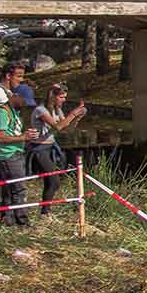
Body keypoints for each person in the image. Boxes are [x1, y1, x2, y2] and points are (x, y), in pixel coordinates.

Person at [28, 85, 86, 216]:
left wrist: (77, 118)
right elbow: (58, 126)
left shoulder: (57, 110)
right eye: (61, 97)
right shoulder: (41, 110)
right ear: (52, 96)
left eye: (65, 97)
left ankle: (45, 211)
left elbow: (66, 129)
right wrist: (73, 113)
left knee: (51, 182)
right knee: (54, 181)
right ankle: (45, 210)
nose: (63, 100)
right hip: (39, 149)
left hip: (50, 147)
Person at [0, 87, 38, 226]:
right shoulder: (2, 113)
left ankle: (7, 218)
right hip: (8, 154)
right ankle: (21, 220)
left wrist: (26, 136)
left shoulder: (15, 113)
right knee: (18, 188)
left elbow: (12, 133)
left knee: (8, 189)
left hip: (16, 152)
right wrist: (22, 137)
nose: (25, 104)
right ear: (15, 96)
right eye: (24, 101)